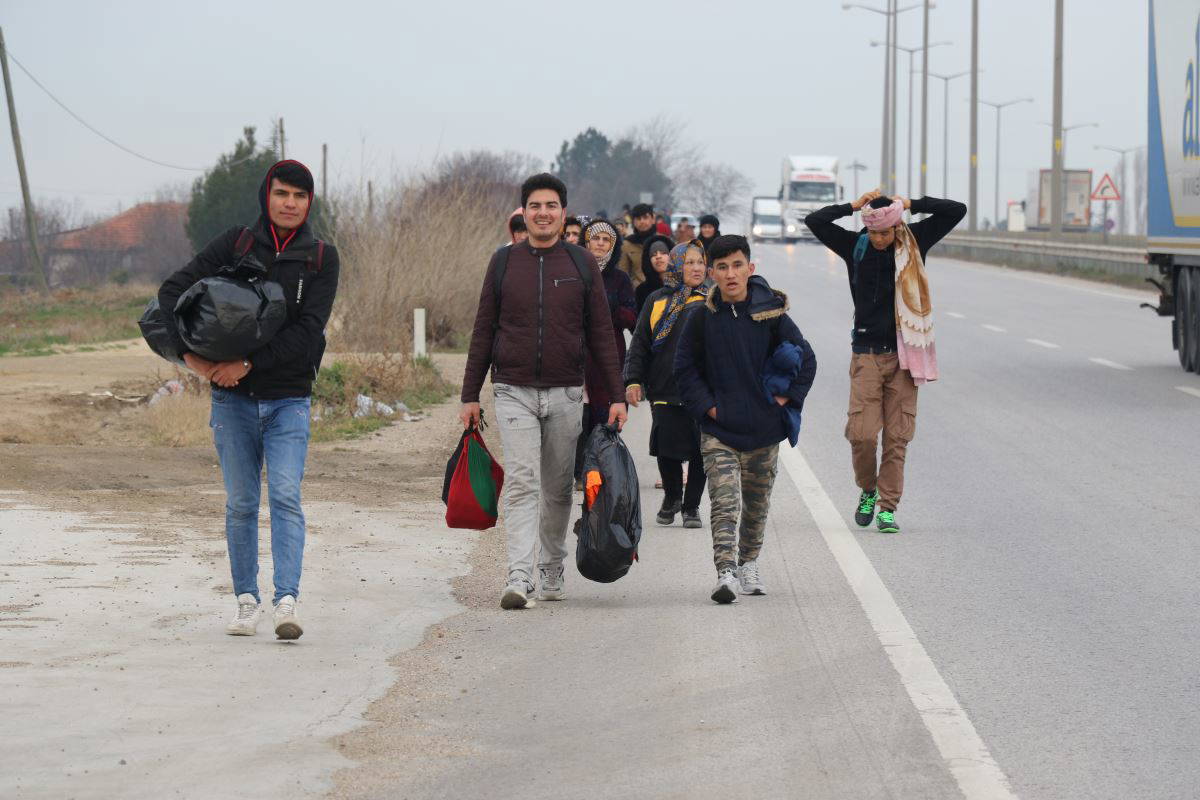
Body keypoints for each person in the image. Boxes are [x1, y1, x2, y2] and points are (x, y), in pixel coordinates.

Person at [157, 160, 340, 639]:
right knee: (240, 503)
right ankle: (245, 601)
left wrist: (249, 364)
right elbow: (171, 292)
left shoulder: (321, 257)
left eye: (300, 196)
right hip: (231, 401)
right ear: (267, 195)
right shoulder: (235, 244)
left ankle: (286, 601)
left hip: (289, 400)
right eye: (282, 193)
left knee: (284, 497)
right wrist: (192, 360)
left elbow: (307, 331)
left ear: (309, 202)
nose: (290, 203)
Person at [460, 173, 627, 610]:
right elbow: (483, 329)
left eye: (551, 205)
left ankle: (552, 565)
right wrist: (469, 394)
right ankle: (519, 574)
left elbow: (601, 335)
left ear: (563, 213)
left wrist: (614, 395)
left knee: (556, 488)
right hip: (513, 389)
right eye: (535, 206)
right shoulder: (503, 263)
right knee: (520, 482)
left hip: (567, 392)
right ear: (524, 212)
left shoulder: (580, 264)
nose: (543, 213)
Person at [804, 190, 965, 534]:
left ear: (896, 227)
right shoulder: (855, 247)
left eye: (885, 232)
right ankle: (867, 489)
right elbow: (814, 221)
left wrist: (912, 204)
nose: (879, 239)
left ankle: (887, 507)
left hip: (906, 355)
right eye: (874, 232)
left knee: (897, 437)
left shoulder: (914, 242)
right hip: (866, 355)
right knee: (861, 435)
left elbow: (956, 210)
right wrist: (853, 206)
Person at [674, 235, 817, 604]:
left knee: (756, 504)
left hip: (764, 431)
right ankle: (725, 573)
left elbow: (807, 360)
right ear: (711, 273)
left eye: (737, 265)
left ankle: (749, 562)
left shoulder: (772, 315)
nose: (730, 274)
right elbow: (684, 369)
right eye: (721, 267)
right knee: (724, 501)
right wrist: (709, 407)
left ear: (750, 269)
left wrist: (784, 400)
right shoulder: (700, 317)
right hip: (719, 431)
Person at [625, 240, 710, 529]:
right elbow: (640, 344)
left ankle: (691, 506)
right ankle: (673, 496)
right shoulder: (657, 301)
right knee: (667, 447)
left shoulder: (713, 301)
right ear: (676, 266)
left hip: (702, 389)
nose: (697, 268)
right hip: (664, 386)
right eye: (689, 262)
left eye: (700, 262)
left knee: (701, 450)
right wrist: (633, 379)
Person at [574, 218, 637, 488]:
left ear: (613, 245)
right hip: (576, 352)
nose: (600, 244)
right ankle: (579, 472)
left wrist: (610, 307)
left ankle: (600, 469)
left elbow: (632, 316)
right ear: (586, 241)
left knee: (604, 413)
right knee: (578, 415)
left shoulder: (620, 279)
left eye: (606, 240)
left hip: (608, 354)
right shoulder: (574, 270)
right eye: (595, 238)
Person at [634, 233, 675, 316]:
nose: (658, 257)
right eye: (653, 254)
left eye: (663, 253)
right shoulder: (641, 291)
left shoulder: (683, 286)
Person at [619, 202, 656, 286]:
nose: (642, 221)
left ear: (653, 219)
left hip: (661, 294)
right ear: (633, 222)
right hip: (636, 293)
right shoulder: (627, 244)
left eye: (645, 217)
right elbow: (623, 272)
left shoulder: (662, 241)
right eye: (638, 218)